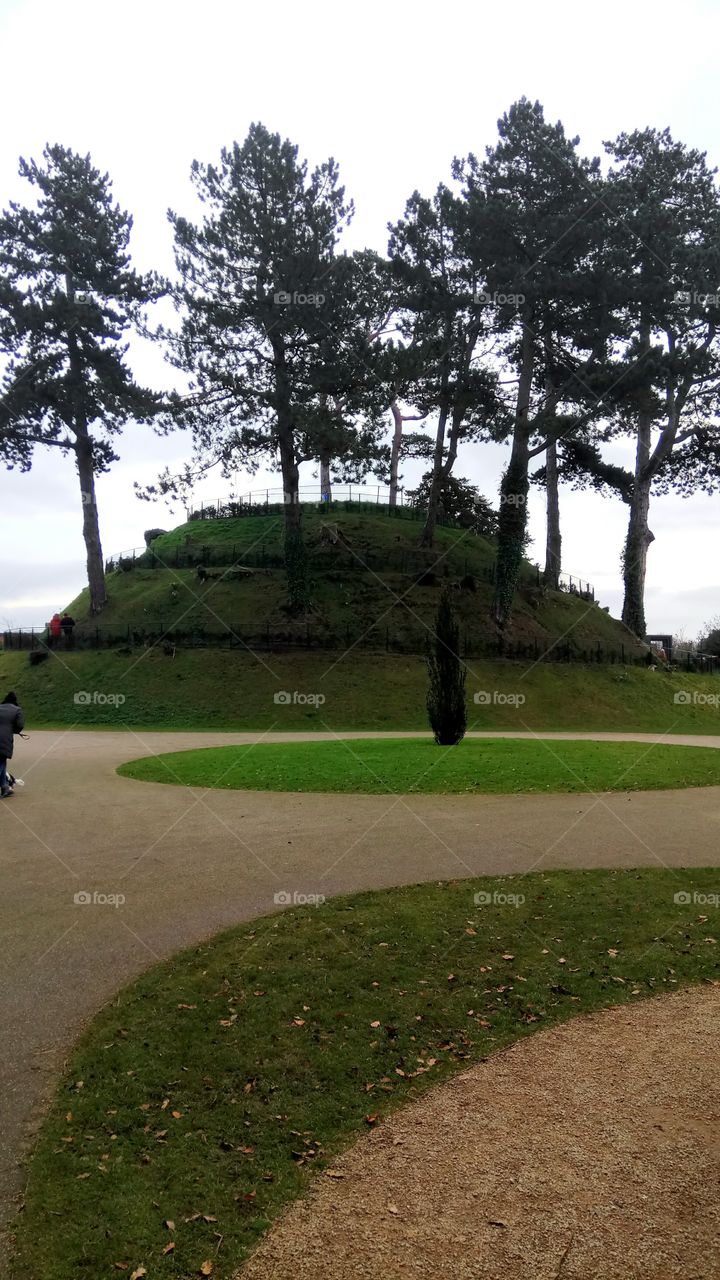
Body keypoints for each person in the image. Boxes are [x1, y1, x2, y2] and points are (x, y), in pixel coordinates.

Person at [0, 691, 24, 799]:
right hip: (4, 740)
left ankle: (5, 787)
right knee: (1, 762)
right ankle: (5, 786)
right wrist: (13, 730)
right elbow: (19, 725)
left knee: (3, 763)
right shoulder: (17, 710)